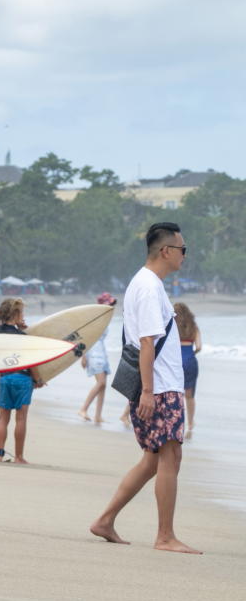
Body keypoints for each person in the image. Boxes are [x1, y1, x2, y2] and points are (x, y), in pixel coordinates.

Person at [90, 222, 200, 554]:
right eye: (182, 249)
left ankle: (105, 521)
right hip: (160, 386)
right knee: (170, 455)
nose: (184, 255)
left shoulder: (142, 282)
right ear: (166, 251)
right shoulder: (150, 287)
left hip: (157, 385)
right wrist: (149, 392)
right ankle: (165, 536)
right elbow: (147, 342)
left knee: (153, 460)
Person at [0, 298, 44, 464]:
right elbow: (31, 362)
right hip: (22, 379)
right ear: (16, 314)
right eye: (21, 312)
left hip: (5, 378)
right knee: (20, 419)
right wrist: (38, 379)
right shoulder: (22, 337)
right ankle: (18, 457)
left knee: (3, 418)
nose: (23, 315)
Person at [78, 292, 117, 423]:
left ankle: (98, 415)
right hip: (93, 353)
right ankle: (83, 409)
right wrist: (83, 357)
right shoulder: (95, 318)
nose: (111, 307)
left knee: (103, 385)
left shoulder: (105, 318)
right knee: (101, 382)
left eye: (112, 304)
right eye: (109, 304)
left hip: (102, 352)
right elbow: (84, 336)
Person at [174, 302, 201, 438]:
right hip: (190, 360)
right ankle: (190, 423)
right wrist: (191, 354)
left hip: (176, 361)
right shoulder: (194, 327)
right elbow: (199, 346)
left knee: (176, 393)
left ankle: (178, 422)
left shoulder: (172, 326)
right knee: (189, 395)